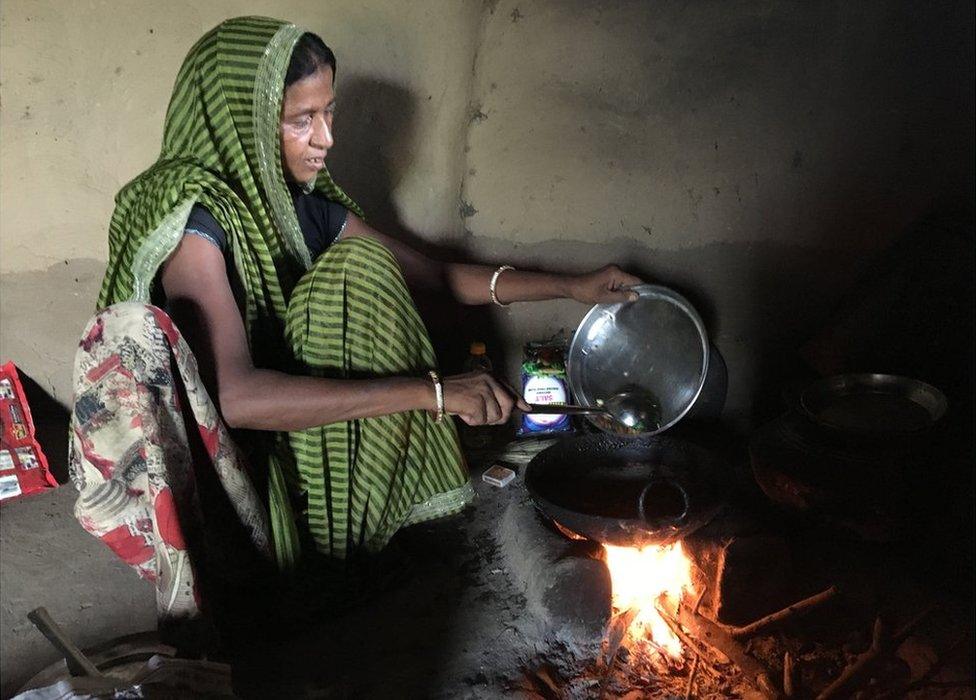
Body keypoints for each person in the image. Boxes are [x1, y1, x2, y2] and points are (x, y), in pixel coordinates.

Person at [69, 16, 641, 646]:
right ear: (242, 118)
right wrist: (433, 393)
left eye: (328, 114)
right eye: (301, 120)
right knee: (360, 275)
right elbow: (236, 397)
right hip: (225, 474)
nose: (326, 139)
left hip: (291, 430)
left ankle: (334, 553)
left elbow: (438, 277)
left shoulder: (292, 204)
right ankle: (293, 570)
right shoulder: (196, 225)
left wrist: (573, 285)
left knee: (364, 267)